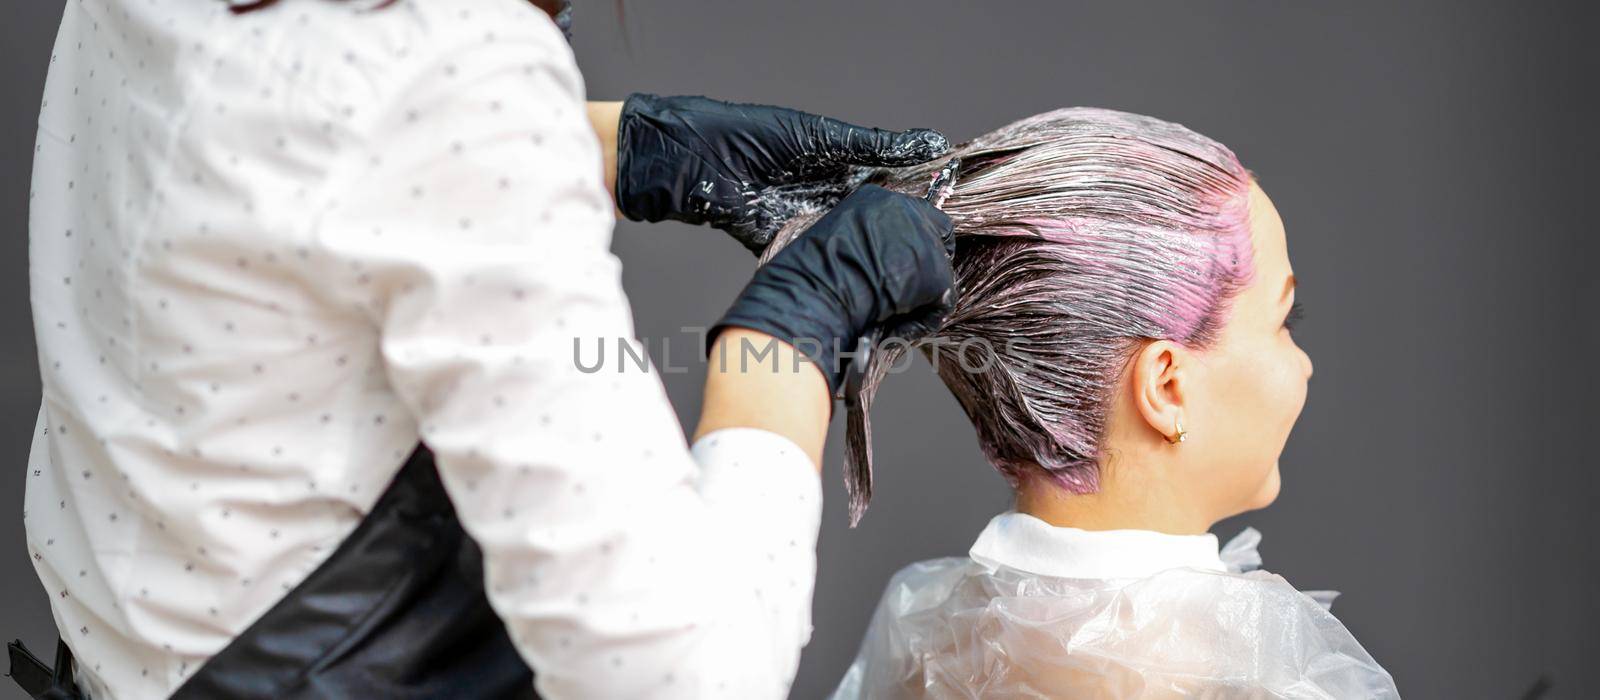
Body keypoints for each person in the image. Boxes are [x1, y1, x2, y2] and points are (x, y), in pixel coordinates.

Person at [12, 0, 957, 698]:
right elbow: (673, 673)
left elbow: (279, 166)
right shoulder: (436, 73)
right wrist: (788, 336)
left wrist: (630, 148)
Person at [757, 107, 1400, 697]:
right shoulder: (1233, 676)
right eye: (1287, 320)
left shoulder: (931, 639)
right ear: (1167, 388)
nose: (1305, 362)